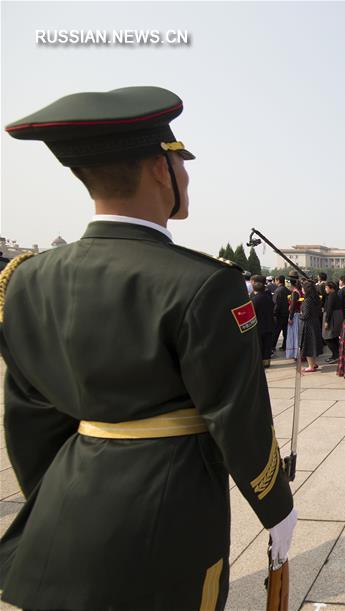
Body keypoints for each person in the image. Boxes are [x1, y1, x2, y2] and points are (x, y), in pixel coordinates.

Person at [0, 86, 295, 610]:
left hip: (64, 511)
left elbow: (29, 416)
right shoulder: (205, 283)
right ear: (161, 170)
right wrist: (276, 507)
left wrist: (57, 498)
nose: (186, 175)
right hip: (169, 518)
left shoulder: (24, 279)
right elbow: (238, 416)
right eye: (182, 162)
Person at [298, 279, 324, 372]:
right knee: (313, 344)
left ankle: (311, 366)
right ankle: (313, 363)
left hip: (308, 324)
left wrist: (300, 315)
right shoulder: (316, 299)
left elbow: (306, 315)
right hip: (315, 323)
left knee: (308, 345)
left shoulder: (307, 301)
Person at [250, 274, 275, 368]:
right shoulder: (268, 298)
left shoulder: (253, 300)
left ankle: (260, 363)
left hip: (259, 326)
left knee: (260, 345)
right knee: (267, 346)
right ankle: (267, 362)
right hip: (269, 324)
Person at [321, 281, 341, 362]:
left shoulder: (331, 296)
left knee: (327, 338)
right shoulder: (335, 295)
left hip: (332, 318)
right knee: (334, 338)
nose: (325, 289)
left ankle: (335, 355)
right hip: (336, 318)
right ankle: (336, 354)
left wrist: (326, 321)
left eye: (326, 287)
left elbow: (329, 310)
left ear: (331, 288)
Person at [285, 275, 303, 360]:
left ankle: (296, 354)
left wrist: (290, 318)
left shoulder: (295, 293)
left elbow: (292, 306)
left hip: (295, 315)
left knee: (295, 335)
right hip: (298, 315)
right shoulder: (299, 291)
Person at [272, 274, 290, 352]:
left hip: (279, 315)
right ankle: (285, 346)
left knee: (276, 332)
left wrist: (274, 313)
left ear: (278, 280)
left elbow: (276, 303)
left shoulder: (278, 291)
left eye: (275, 280)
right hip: (286, 313)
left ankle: (272, 346)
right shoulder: (287, 290)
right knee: (286, 332)